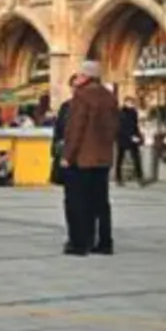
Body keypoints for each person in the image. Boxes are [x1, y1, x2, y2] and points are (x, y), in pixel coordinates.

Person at [59, 61, 119, 256]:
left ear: (86, 76)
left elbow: (76, 129)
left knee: (77, 202)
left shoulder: (82, 96)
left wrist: (68, 156)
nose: (76, 78)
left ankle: (79, 243)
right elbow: (114, 128)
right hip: (102, 159)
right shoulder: (109, 97)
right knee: (101, 203)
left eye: (79, 74)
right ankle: (104, 243)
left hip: (82, 159)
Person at [116, 95, 145, 186]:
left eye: (132, 103)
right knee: (120, 158)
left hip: (133, 138)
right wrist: (131, 136)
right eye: (129, 102)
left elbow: (135, 125)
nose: (131, 104)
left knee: (136, 158)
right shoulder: (121, 112)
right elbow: (122, 127)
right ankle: (118, 178)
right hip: (123, 138)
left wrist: (138, 135)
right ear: (125, 103)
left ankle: (139, 177)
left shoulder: (134, 112)